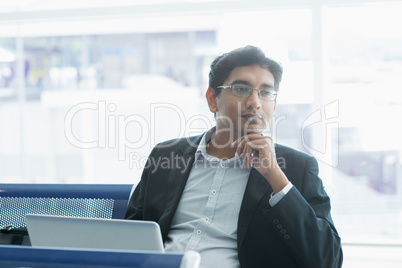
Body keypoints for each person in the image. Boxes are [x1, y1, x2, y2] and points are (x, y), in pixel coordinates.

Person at [125, 46, 343, 268]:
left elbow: (328, 260)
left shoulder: (297, 168)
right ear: (212, 99)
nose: (255, 102)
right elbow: (128, 237)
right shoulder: (166, 156)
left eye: (265, 92)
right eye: (241, 89)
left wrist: (276, 178)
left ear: (274, 107)